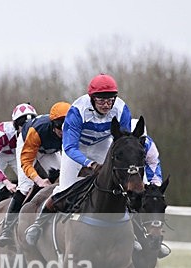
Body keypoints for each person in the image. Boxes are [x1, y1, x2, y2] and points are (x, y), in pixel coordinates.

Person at [24, 74, 132, 246]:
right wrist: (90, 164)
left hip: (102, 144)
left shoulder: (122, 109)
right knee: (64, 189)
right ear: (92, 99)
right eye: (101, 101)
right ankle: (39, 224)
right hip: (76, 147)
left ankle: (133, 234)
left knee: (118, 186)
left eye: (110, 100)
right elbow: (69, 147)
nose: (106, 105)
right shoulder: (77, 111)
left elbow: (123, 141)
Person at [0, 102, 69, 247]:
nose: (62, 133)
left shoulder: (73, 129)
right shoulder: (37, 131)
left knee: (64, 179)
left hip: (50, 150)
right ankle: (7, 228)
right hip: (28, 145)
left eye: (66, 128)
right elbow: (26, 162)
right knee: (26, 186)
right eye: (59, 128)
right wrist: (38, 180)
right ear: (52, 125)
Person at [0, 103, 37, 231]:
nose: (27, 129)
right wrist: (6, 182)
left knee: (29, 184)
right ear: (15, 125)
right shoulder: (2, 133)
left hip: (16, 154)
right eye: (23, 126)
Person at [131, 117, 170, 258]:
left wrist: (154, 187)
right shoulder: (116, 143)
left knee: (154, 201)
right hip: (121, 179)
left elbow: (153, 164)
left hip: (141, 179)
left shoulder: (148, 145)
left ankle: (156, 239)